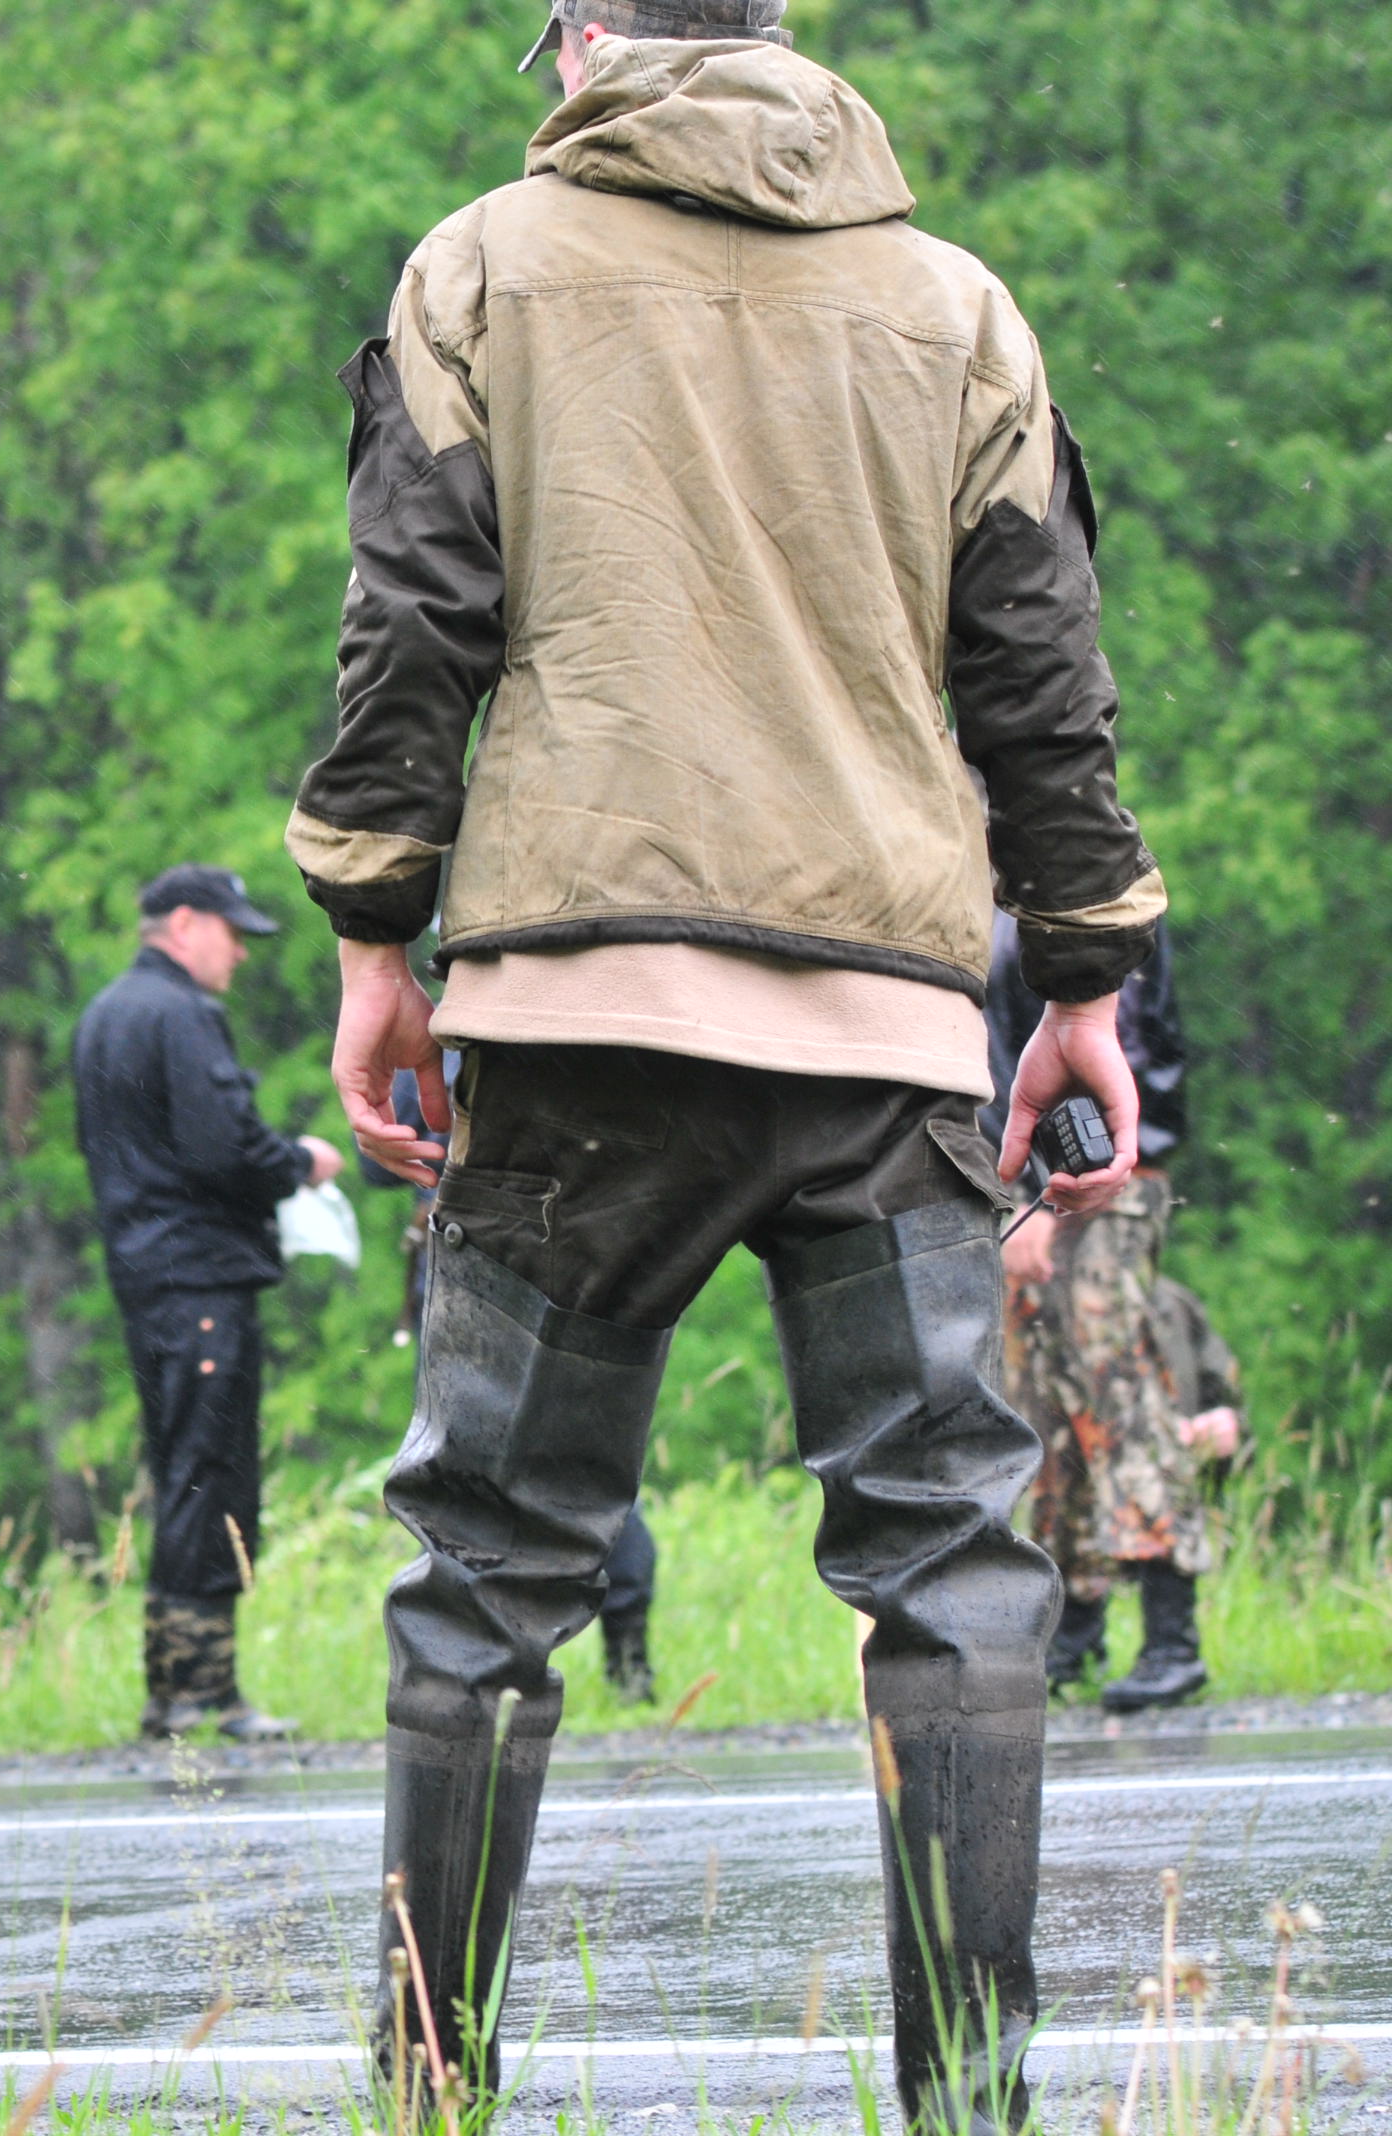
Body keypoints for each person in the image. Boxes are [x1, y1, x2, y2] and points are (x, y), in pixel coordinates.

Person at [291, 8, 1162, 2127]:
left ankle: (431, 2091)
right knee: (954, 1568)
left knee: (487, 1573)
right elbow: (1040, 672)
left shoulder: (480, 268)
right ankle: (975, 2103)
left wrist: (371, 932)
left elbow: (415, 625)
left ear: (585, 38)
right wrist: (1085, 976)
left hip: (576, 1020)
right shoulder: (954, 308)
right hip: (878, 1027)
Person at [70, 865, 340, 1740]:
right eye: (232, 934)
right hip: (200, 1277)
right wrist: (299, 1161)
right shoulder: (181, 1014)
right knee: (209, 1474)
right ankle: (197, 1692)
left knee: (182, 1466)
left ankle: (181, 1687)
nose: (240, 955)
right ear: (185, 924)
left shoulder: (107, 1013)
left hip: (148, 1272)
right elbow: (224, 1146)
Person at [365, 1059, 663, 1704]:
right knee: (584, 1465)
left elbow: (376, 1160)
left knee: (483, 1481)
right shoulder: (561, 1030)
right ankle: (617, 1659)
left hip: (481, 1279)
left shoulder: (435, 1050)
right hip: (571, 1268)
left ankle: (477, 1678)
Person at [989, 917, 1217, 1710]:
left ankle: (1171, 1635)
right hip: (1018, 1179)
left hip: (1100, 1172)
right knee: (1042, 1395)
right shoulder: (964, 883)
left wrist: (1053, 1182)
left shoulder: (1079, 884)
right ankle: (1075, 1637)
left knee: (1117, 1385)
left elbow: (1128, 1046)